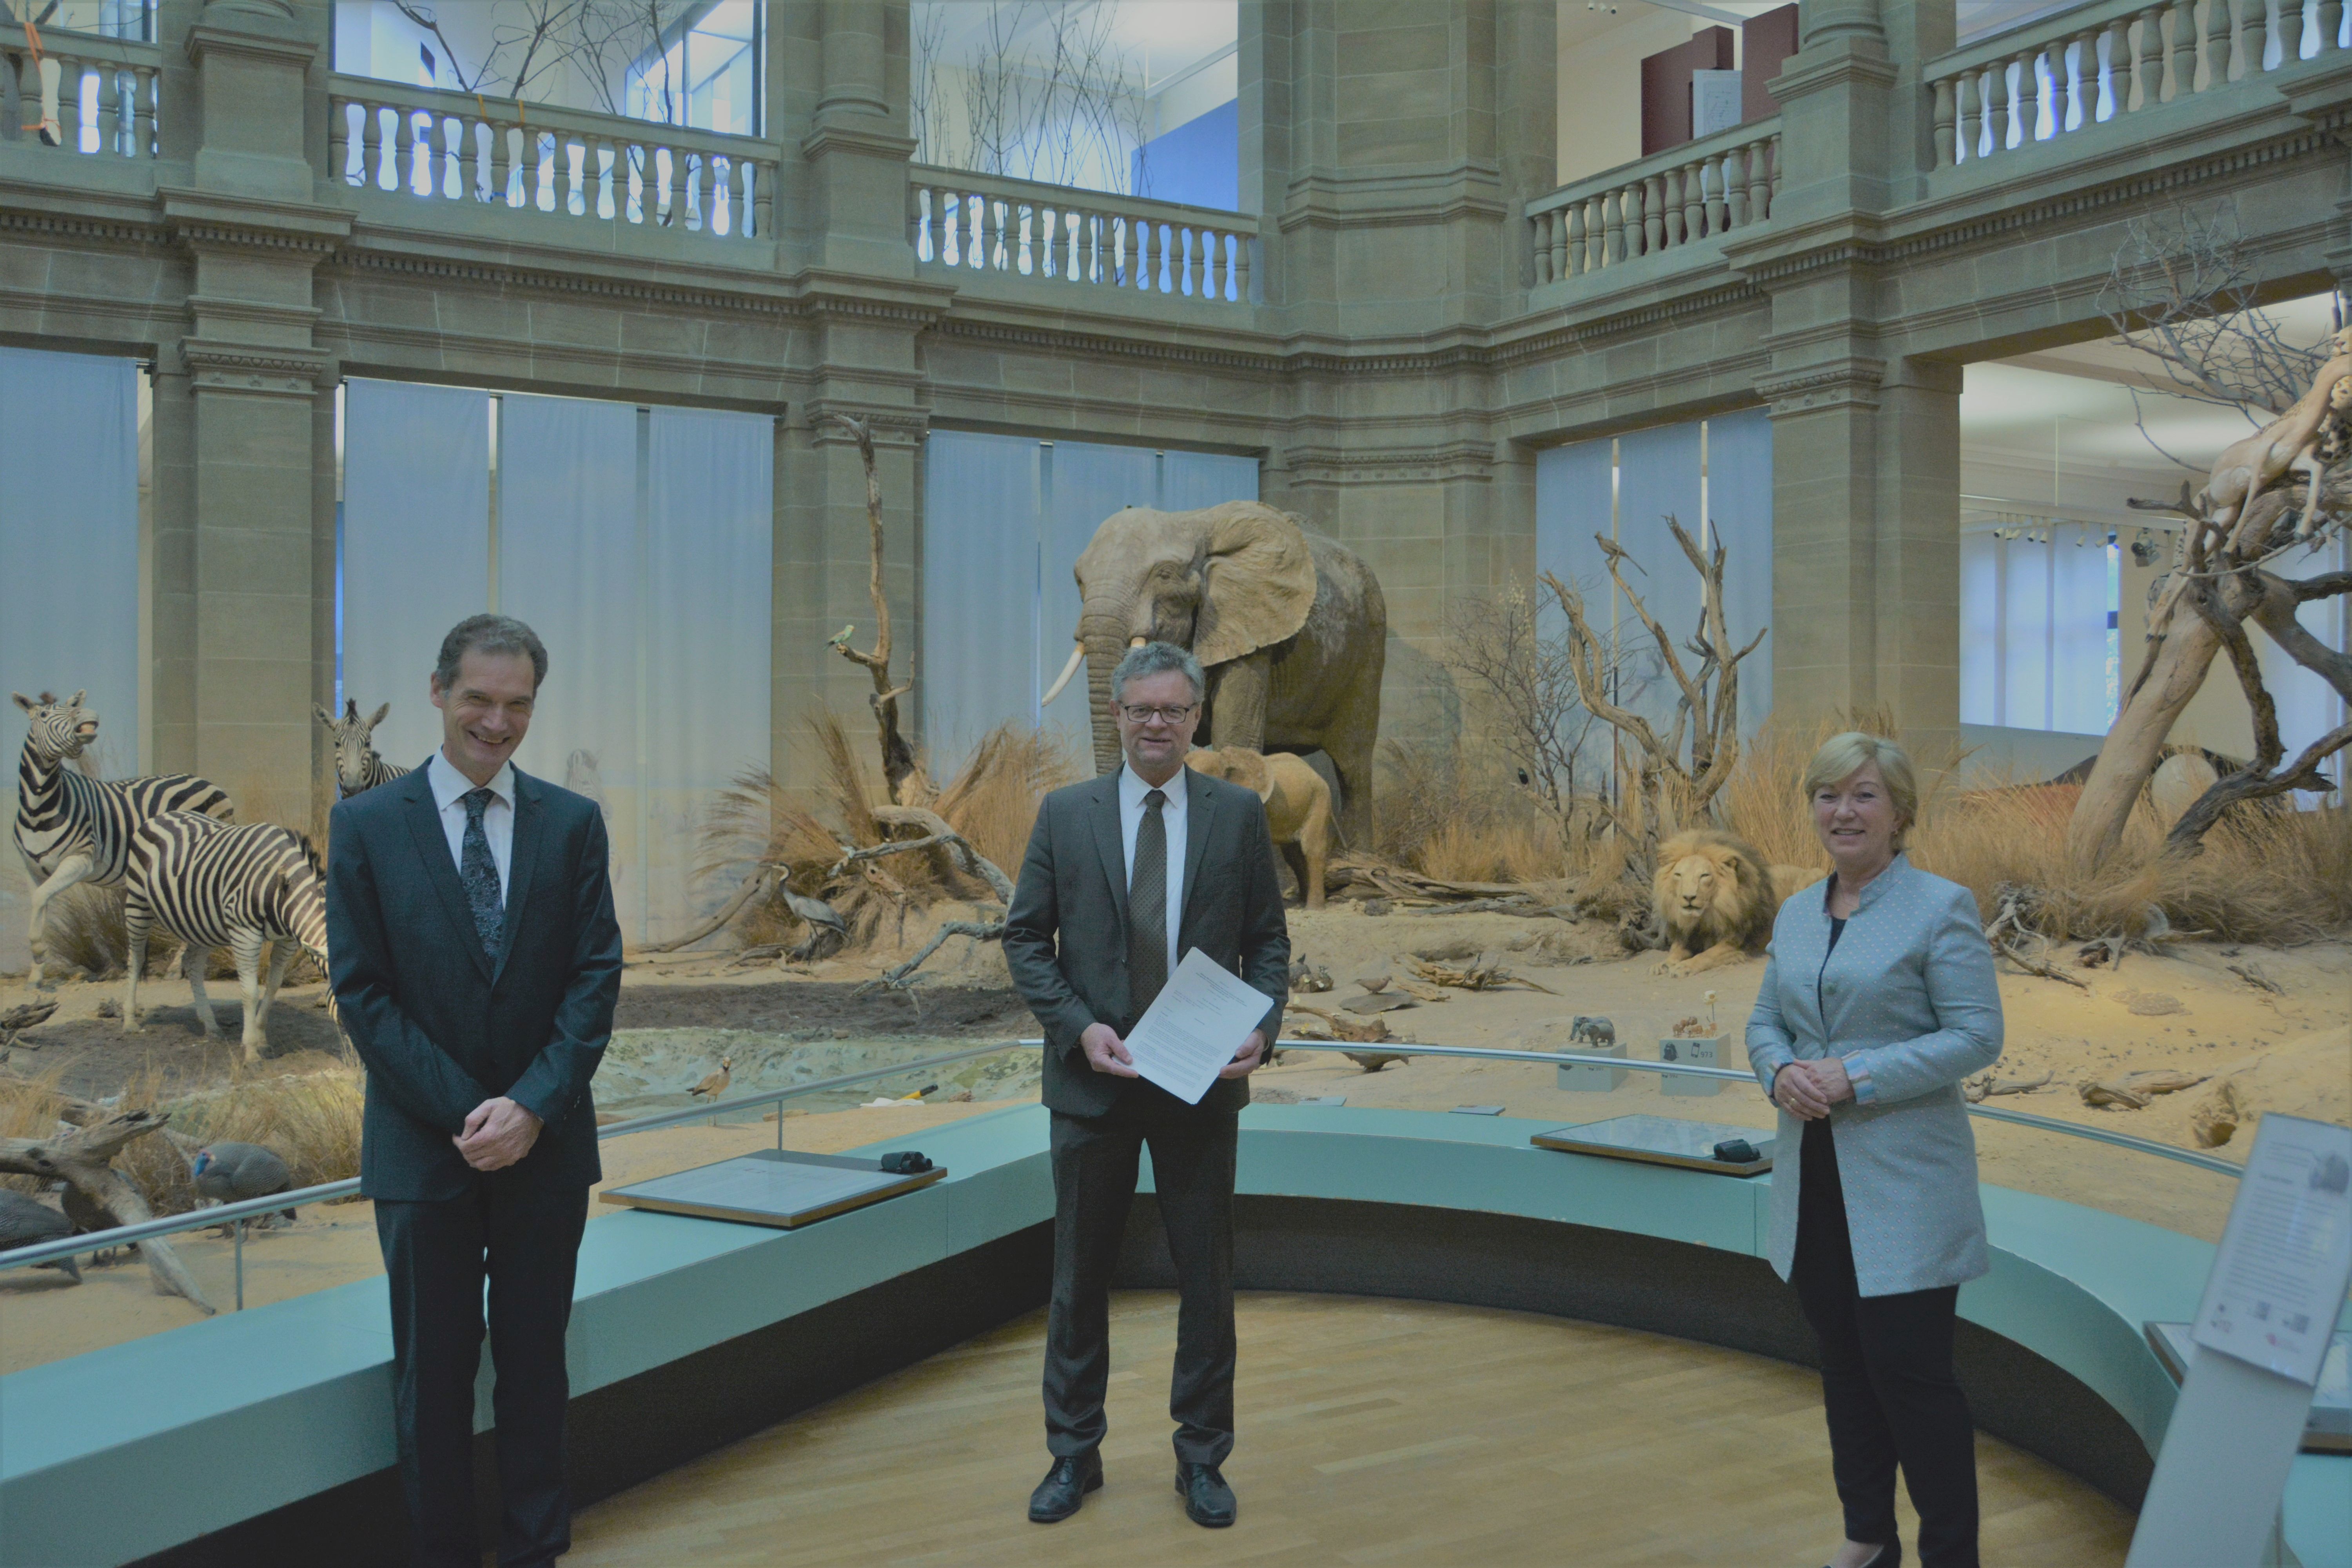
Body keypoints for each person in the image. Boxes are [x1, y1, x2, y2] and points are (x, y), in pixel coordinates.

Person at [327, 614, 622, 1568]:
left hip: (547, 1147)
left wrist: (531, 1105)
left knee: (537, 1369)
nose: (497, 722)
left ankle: (537, 1549)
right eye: (479, 700)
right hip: (424, 1155)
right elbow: (362, 992)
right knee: (433, 1381)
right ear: (437, 691)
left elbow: (594, 979)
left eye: (517, 704)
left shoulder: (572, 824)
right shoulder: (366, 824)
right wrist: (472, 1111)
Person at [1001, 640, 1290, 1530]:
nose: (1156, 723)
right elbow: (1026, 939)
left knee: (1207, 1282)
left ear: (1197, 717)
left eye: (1172, 709)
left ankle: (1202, 1459)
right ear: (1118, 716)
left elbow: (1269, 945)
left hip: (1199, 1088)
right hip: (1091, 1085)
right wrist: (1078, 1027)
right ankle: (1072, 1454)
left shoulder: (1238, 815)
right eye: (1141, 709)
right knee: (1077, 1280)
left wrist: (1261, 1028)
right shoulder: (1065, 813)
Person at [1746, 732, 2004, 1568]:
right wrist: (1779, 1070)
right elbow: (1765, 1021)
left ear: (1900, 812)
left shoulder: (1940, 905)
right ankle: (1867, 1538)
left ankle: (1951, 1557)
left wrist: (1855, 1074)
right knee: (1845, 1368)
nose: (1844, 812)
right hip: (1815, 1180)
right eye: (1829, 795)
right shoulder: (1795, 910)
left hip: (1905, 1186)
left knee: (1912, 1378)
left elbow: (1977, 1035)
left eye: (1864, 795)